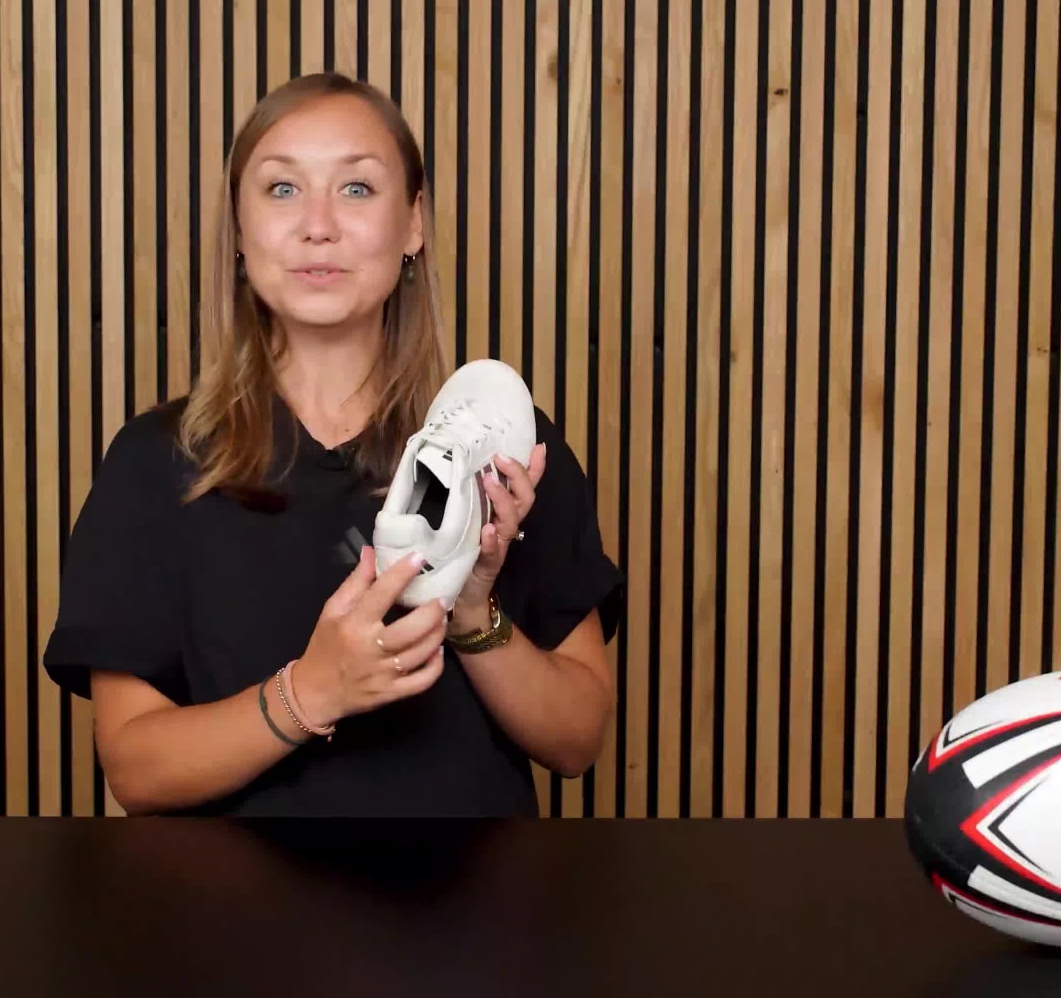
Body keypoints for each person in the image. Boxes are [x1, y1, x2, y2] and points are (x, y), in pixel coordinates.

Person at [42, 72, 625, 816]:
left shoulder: (508, 448)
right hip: (227, 921)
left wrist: (472, 610)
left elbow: (576, 742)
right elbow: (136, 769)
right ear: (240, 230)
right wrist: (313, 692)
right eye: (282, 190)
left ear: (414, 223)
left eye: (357, 189)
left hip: (470, 920)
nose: (318, 225)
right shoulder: (158, 463)